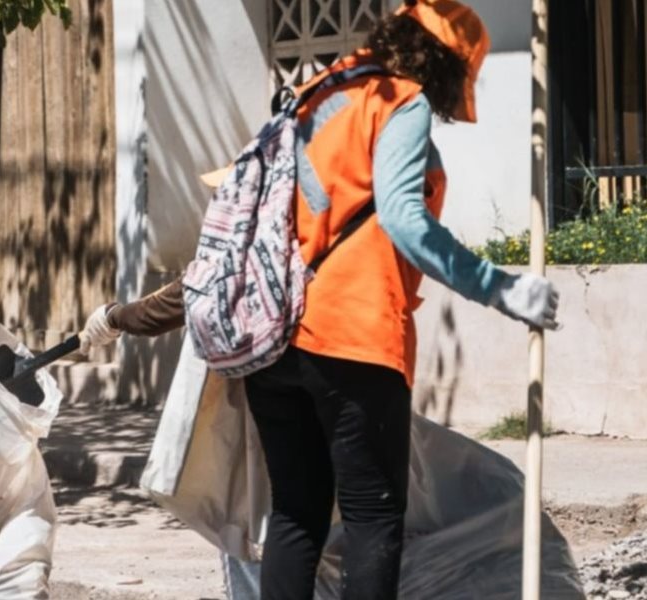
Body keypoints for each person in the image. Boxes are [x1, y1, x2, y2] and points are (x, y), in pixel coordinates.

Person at [79, 1, 560, 599]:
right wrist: (502, 287)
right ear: (446, 65)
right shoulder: (397, 100)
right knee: (372, 516)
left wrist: (123, 316)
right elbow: (406, 220)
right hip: (353, 337)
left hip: (274, 342)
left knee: (296, 513)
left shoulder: (314, 96)